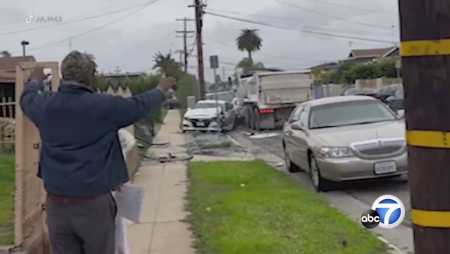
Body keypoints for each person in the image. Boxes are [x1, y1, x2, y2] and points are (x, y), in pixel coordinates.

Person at [19, 50, 175, 254]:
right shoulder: (104, 107)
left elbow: (26, 99)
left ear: (64, 76)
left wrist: (34, 81)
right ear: (90, 76)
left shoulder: (45, 106)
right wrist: (160, 91)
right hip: (93, 205)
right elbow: (138, 105)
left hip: (57, 204)